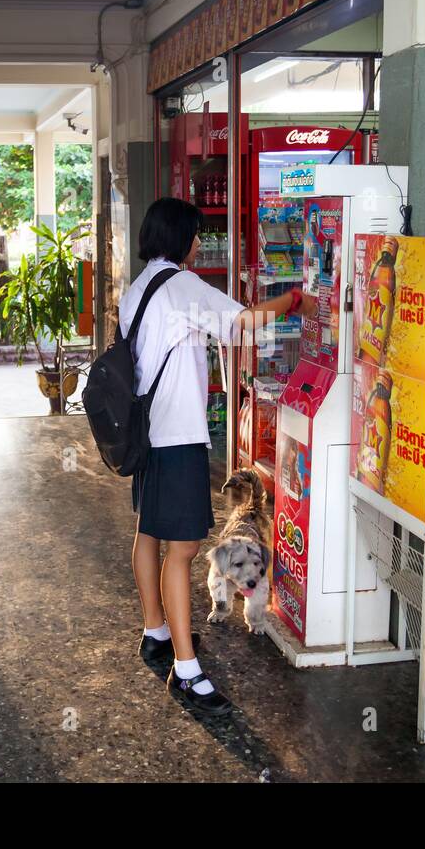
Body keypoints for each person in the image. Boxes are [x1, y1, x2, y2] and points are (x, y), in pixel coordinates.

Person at [120, 197, 305, 717]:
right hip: (177, 437)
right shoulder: (180, 286)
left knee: (149, 534)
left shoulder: (137, 290)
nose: (200, 242)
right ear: (180, 237)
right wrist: (293, 301)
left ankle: (156, 632)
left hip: (146, 434)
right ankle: (187, 671)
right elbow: (243, 325)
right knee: (181, 551)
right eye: (196, 234)